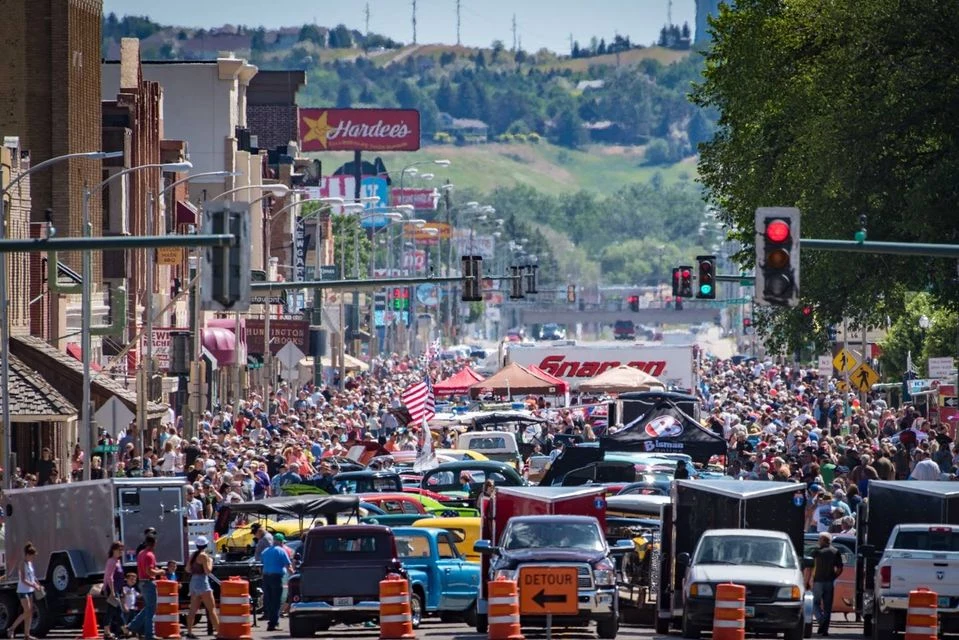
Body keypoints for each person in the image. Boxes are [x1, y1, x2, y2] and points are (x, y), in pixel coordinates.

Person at [805, 532, 843, 636]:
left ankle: (821, 621)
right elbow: (839, 568)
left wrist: (806, 582)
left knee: (814, 603)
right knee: (827, 606)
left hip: (818, 582)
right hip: (829, 583)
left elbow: (809, 568)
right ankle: (824, 629)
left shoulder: (816, 552)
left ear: (823, 540)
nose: (818, 541)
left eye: (819, 539)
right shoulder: (835, 551)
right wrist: (834, 577)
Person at [127, 535, 164, 640]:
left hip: (142, 582)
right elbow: (150, 571)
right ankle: (149, 634)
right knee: (151, 610)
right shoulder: (149, 555)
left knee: (148, 608)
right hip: (148, 582)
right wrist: (160, 571)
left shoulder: (141, 554)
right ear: (154, 543)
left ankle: (132, 626)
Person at [184, 536, 219, 640]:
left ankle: (189, 632)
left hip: (193, 582)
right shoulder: (204, 556)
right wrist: (211, 561)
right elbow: (208, 571)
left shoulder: (193, 555)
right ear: (206, 545)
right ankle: (219, 632)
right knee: (211, 609)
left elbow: (187, 569)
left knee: (193, 609)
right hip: (202, 582)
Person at [260, 533, 293, 632]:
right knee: (276, 601)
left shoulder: (265, 551)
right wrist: (294, 575)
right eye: (282, 542)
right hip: (276, 578)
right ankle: (273, 623)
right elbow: (288, 566)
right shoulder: (281, 551)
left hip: (266, 577)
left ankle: (272, 621)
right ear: (280, 541)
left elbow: (262, 565)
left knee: (269, 601)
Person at [9, 543, 42, 640]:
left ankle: (27, 635)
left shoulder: (30, 563)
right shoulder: (22, 564)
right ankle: (11, 628)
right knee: (27, 611)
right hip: (22, 590)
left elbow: (33, 576)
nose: (33, 558)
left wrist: (38, 584)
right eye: (32, 556)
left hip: (30, 590)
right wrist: (34, 585)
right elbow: (23, 579)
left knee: (30, 612)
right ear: (27, 555)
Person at [102, 541, 126, 640]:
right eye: (119, 549)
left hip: (116, 589)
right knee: (116, 610)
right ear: (113, 550)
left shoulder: (118, 561)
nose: (121, 552)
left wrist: (122, 590)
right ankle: (125, 631)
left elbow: (120, 578)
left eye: (122, 550)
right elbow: (109, 577)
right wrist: (112, 592)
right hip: (111, 589)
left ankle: (108, 632)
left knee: (112, 611)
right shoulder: (111, 561)